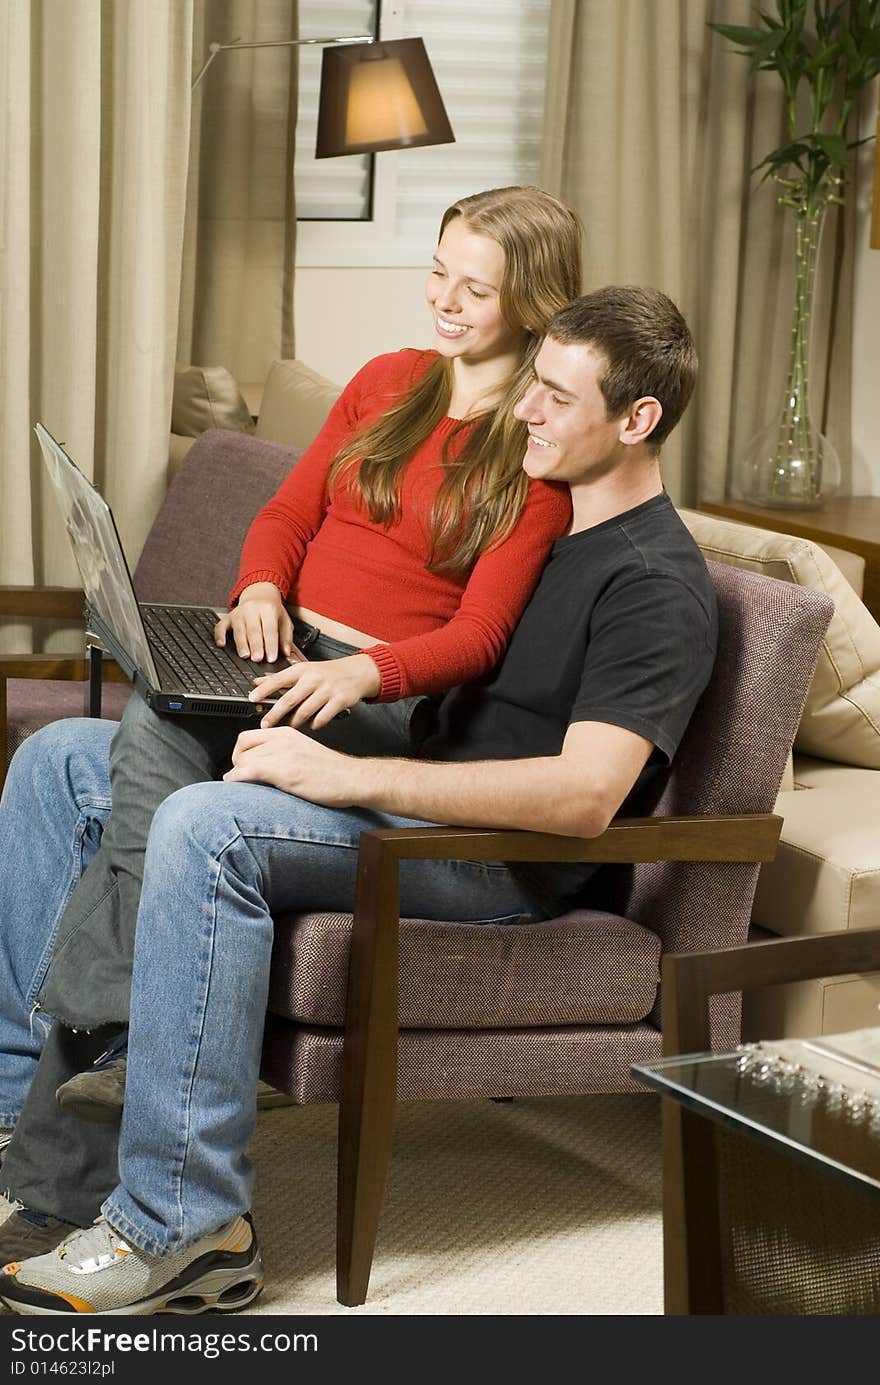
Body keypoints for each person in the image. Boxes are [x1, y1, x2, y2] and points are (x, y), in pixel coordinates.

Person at [0, 286, 717, 1316]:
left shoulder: (655, 583)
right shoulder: (546, 520)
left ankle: (183, 1220)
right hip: (416, 799)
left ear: (637, 419)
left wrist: (341, 774)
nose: (524, 412)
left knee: (207, 825)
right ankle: (20, 1131)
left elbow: (583, 793)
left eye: (555, 398)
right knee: (64, 758)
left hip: (488, 857)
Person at [26, 184, 584, 1129]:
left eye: (475, 289)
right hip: (283, 645)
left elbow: (478, 636)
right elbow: (290, 512)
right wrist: (258, 589)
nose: (445, 299)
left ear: (532, 302)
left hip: (374, 696)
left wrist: (361, 670)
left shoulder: (530, 456)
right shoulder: (387, 381)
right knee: (109, 737)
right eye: (438, 272)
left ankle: (119, 1036)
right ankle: (73, 1066)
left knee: (156, 722)